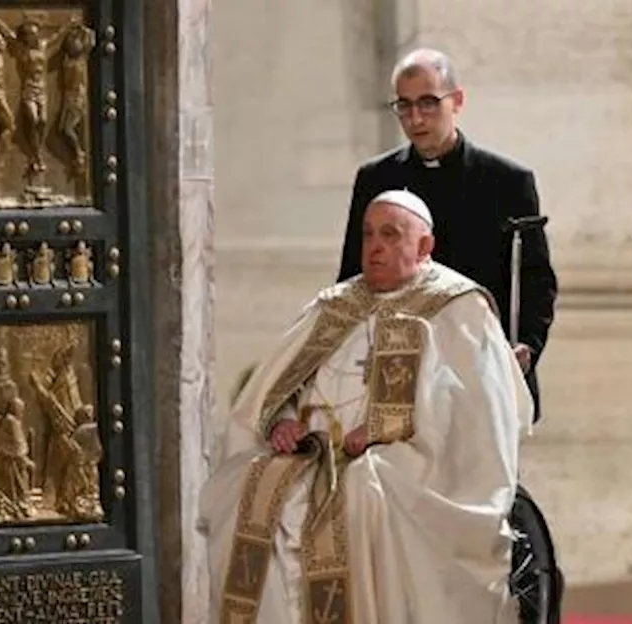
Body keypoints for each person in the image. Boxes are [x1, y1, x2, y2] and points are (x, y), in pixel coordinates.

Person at [199, 189, 531, 623]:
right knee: (251, 487)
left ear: (424, 246)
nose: (374, 247)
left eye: (391, 235)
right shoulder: (336, 304)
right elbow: (275, 385)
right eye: (369, 234)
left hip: (403, 458)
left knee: (361, 494)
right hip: (311, 457)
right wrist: (281, 419)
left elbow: (475, 410)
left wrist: (384, 428)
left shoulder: (459, 308)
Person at [335, 48, 557, 421]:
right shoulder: (376, 179)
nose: (416, 118)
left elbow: (536, 280)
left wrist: (528, 346)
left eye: (428, 103)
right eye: (403, 106)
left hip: (481, 370)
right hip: (398, 369)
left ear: (457, 101)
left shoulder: (507, 181)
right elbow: (353, 274)